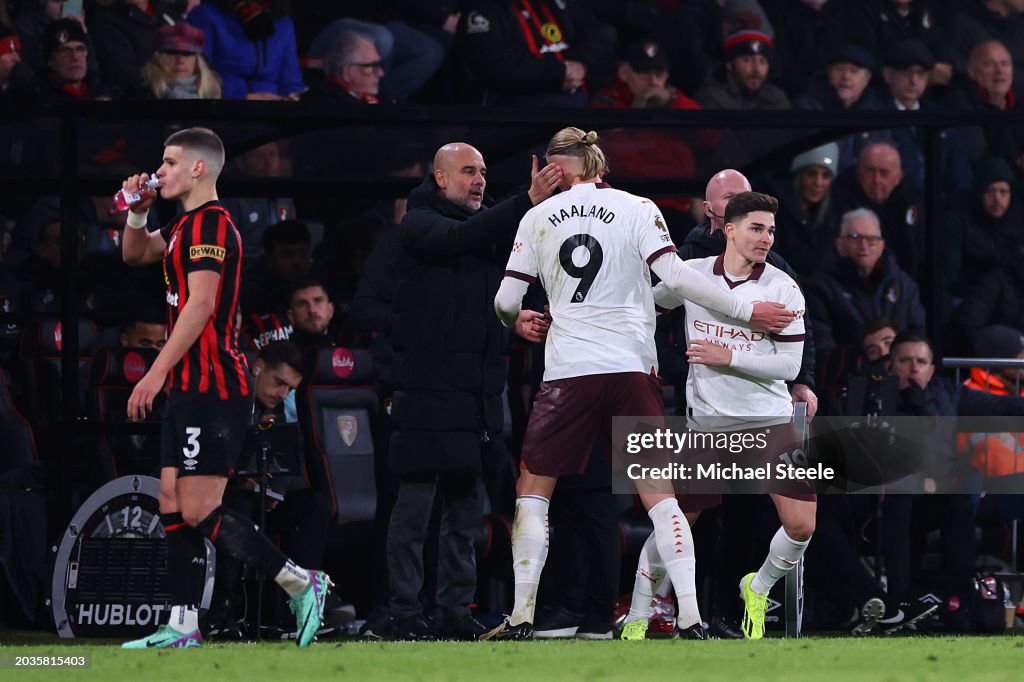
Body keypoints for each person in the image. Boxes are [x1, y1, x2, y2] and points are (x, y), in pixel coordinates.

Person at [485, 129, 797, 641]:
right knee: (661, 496)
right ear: (599, 163)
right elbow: (674, 276)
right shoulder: (638, 207)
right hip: (633, 368)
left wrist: (516, 320)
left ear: (557, 168)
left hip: (569, 371)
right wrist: (745, 308)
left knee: (534, 490)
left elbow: (504, 301)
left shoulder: (535, 216)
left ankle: (521, 614)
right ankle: (692, 616)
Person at [117, 127, 330, 649]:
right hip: (189, 385)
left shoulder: (212, 224)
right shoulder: (183, 224)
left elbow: (202, 305)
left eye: (168, 162)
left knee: (197, 507)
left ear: (198, 169)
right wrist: (137, 210)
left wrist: (156, 370)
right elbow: (134, 255)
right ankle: (184, 626)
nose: (158, 170)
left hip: (211, 385)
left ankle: (302, 583)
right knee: (171, 501)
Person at [385, 141, 562, 641]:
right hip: (424, 389)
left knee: (466, 509)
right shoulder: (420, 224)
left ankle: (453, 610)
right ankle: (403, 611)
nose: (479, 180)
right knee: (417, 506)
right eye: (468, 172)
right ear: (440, 178)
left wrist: (512, 319)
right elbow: (459, 240)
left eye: (484, 171)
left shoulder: (483, 229)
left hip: (477, 394)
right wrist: (525, 200)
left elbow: (474, 304)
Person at [621, 191, 813, 642]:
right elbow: (645, 309)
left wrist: (728, 357)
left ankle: (758, 586)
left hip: (768, 425)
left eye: (770, 230)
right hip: (708, 427)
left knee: (802, 525)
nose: (766, 238)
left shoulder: (783, 288)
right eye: (756, 228)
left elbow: (789, 368)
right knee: (677, 523)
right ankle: (635, 613)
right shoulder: (693, 276)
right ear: (728, 229)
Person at [806, 208, 926, 362]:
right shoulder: (819, 288)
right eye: (855, 237)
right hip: (848, 379)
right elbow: (821, 347)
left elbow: (917, 336)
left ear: (882, 245)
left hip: (899, 378)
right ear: (840, 245)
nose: (864, 245)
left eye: (871, 239)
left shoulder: (904, 285)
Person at [140, 23, 223, 100]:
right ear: (158, 58)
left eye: (187, 54)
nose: (180, 60)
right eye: (172, 53)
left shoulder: (213, 93)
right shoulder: (142, 95)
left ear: (198, 61)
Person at [305, 30, 387, 104]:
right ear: (347, 73)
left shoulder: (381, 90)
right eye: (370, 66)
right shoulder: (325, 103)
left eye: (377, 65)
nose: (381, 73)